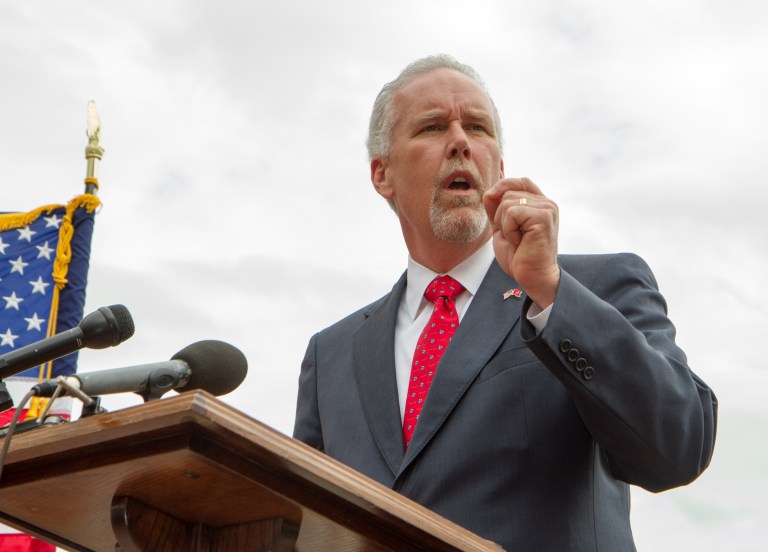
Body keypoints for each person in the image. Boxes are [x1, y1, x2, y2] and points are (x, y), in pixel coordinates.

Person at [293, 54, 717, 551]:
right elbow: (303, 525)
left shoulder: (592, 287)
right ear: (382, 174)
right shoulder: (331, 356)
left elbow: (679, 447)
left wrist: (552, 293)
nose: (460, 142)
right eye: (432, 127)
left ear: (499, 167)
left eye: (478, 127)